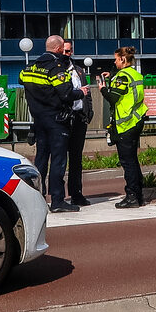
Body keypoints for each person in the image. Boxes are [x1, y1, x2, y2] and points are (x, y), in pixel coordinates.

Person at [18, 34, 77, 211]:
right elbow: (66, 93)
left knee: (41, 160)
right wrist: (81, 92)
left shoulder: (30, 67)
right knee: (58, 161)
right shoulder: (56, 68)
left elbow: (21, 80)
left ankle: (38, 198)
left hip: (38, 121)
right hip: (56, 120)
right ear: (59, 49)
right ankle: (58, 201)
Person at [98, 46, 147, 207]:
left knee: (128, 162)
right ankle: (138, 194)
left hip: (125, 124)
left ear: (123, 59)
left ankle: (132, 196)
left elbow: (113, 97)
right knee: (133, 160)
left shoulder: (123, 76)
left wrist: (103, 89)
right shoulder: (134, 73)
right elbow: (126, 91)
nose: (114, 62)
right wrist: (112, 75)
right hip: (136, 120)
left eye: (116, 59)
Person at [61, 39, 94, 206]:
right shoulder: (57, 71)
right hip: (64, 119)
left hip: (79, 118)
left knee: (76, 159)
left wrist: (89, 112)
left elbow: (87, 92)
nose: (67, 54)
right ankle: (58, 197)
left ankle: (76, 193)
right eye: (64, 51)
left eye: (69, 51)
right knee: (60, 159)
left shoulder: (79, 70)